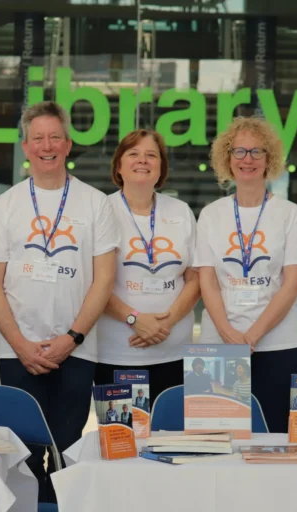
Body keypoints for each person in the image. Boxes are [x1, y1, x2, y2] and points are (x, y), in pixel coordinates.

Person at [0, 101, 118, 503]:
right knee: (25, 451)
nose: (47, 145)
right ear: (25, 146)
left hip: (78, 349)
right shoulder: (5, 206)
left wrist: (72, 337)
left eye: (55, 137)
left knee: (66, 448)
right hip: (18, 351)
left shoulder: (94, 203)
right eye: (38, 138)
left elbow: (103, 280)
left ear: (69, 144)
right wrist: (21, 345)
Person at [194, 117, 297, 434]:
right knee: (217, 442)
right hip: (219, 346)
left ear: (269, 159)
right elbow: (208, 281)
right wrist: (229, 334)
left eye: (257, 152)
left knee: (276, 441)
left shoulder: (290, 214)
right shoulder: (210, 215)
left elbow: (293, 283)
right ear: (227, 159)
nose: (248, 159)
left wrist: (253, 335)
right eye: (239, 151)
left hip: (278, 346)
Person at [95, 129, 200, 408]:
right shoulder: (100, 210)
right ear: (119, 165)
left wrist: (166, 322)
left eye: (151, 155)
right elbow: (92, 283)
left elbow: (196, 277)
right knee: (122, 441)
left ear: (161, 167)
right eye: (133, 154)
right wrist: (134, 319)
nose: (143, 160)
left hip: (174, 352)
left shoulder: (180, 211)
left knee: (171, 440)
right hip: (116, 354)